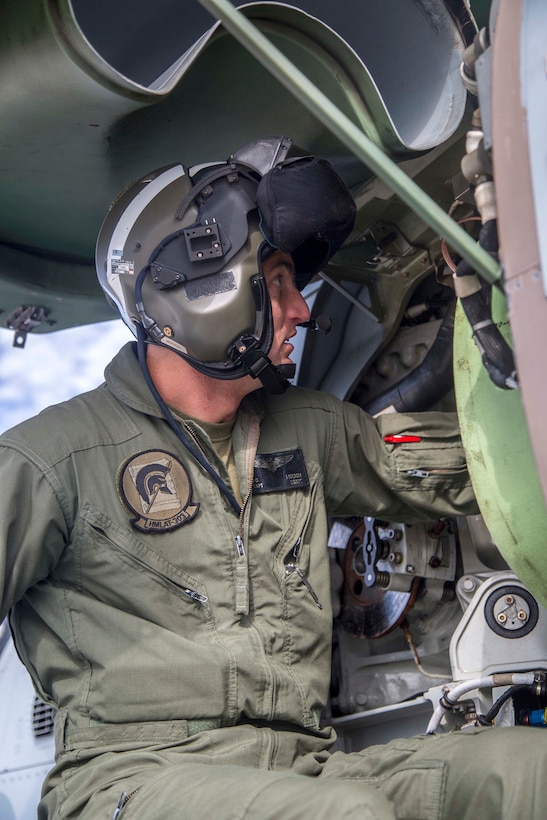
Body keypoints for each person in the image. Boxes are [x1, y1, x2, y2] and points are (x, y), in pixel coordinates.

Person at [1, 136, 545, 820]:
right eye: (279, 282)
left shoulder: (311, 429)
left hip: (304, 764)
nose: (301, 312)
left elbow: (475, 472)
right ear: (197, 289)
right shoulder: (50, 458)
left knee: (526, 772)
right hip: (128, 780)